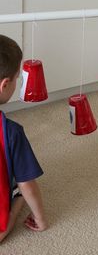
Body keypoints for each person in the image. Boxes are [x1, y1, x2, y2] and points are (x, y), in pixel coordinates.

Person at [0, 34, 48, 242]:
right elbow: (28, 183)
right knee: (21, 188)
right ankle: (16, 201)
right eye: (17, 78)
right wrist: (41, 218)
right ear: (4, 84)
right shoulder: (11, 132)